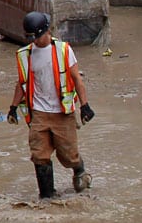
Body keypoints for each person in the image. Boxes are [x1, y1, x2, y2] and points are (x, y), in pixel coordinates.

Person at [6, 11, 95, 200]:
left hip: (62, 113)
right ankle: (47, 196)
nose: (35, 41)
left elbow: (76, 79)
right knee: (39, 155)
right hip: (38, 114)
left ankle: (79, 170)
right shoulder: (25, 55)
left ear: (46, 31)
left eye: (36, 37)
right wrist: (13, 107)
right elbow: (22, 84)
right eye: (31, 38)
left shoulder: (63, 50)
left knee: (68, 155)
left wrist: (85, 106)